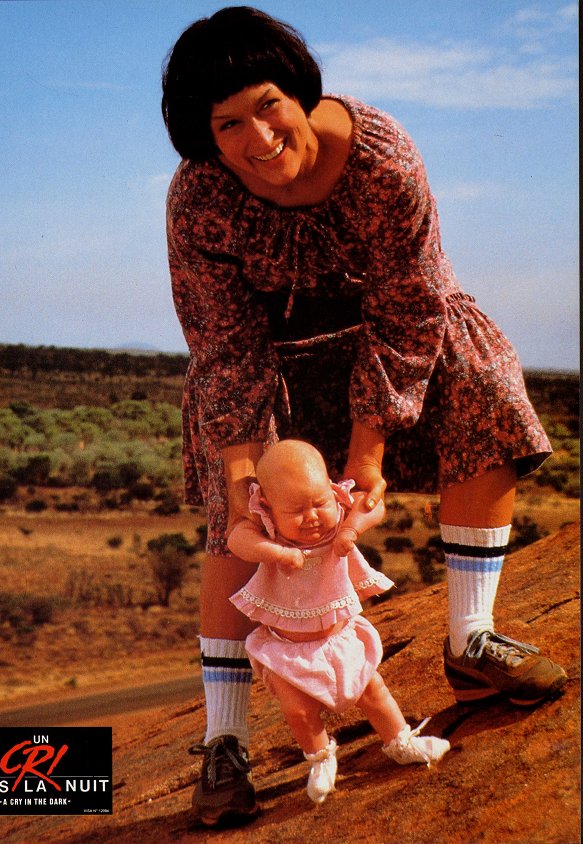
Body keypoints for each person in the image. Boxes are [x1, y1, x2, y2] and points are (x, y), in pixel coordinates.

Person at [161, 5, 568, 826]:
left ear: (301, 93)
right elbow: (226, 349)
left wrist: (367, 454)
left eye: (267, 103)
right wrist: (245, 485)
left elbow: (410, 307)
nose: (255, 136)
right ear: (205, 135)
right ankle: (225, 742)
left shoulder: (380, 158)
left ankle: (471, 640)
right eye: (226, 122)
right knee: (230, 486)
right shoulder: (200, 194)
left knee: (479, 369)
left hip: (390, 340)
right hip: (271, 360)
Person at [226, 439, 450, 806]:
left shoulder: (339, 515)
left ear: (331, 491)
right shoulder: (267, 528)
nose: (312, 516)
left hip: (338, 638)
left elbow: (370, 505)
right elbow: (237, 538)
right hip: (288, 650)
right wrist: (276, 552)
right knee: (299, 711)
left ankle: (400, 742)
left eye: (319, 503)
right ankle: (320, 759)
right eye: (296, 510)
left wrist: (352, 530)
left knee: (373, 691)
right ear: (267, 507)